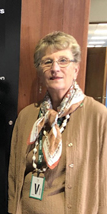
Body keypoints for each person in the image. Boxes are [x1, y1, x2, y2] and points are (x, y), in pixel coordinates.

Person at [8, 31, 107, 213]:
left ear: (76, 69)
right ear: (40, 72)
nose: (55, 68)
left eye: (63, 60)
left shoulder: (98, 116)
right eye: (48, 62)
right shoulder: (27, 116)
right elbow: (15, 174)